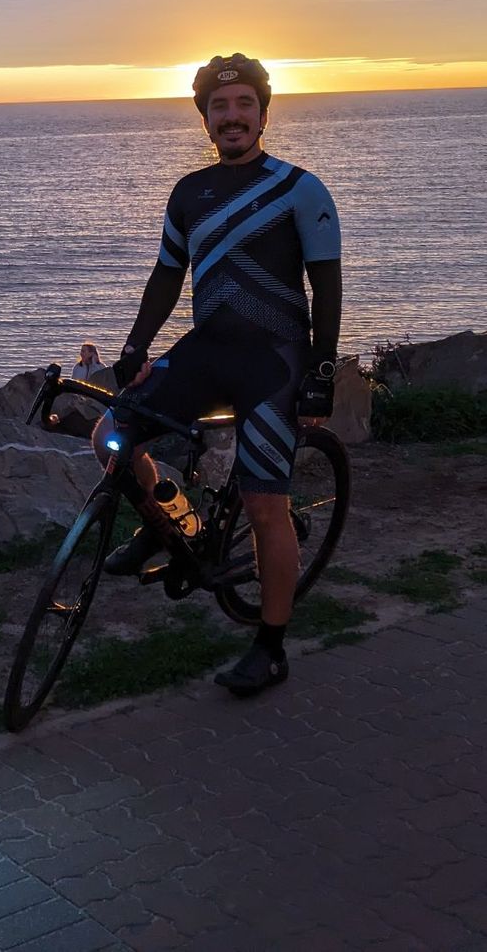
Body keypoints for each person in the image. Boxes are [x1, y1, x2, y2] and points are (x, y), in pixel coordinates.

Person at [91, 53, 342, 697]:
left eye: (244, 105)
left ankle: (270, 646)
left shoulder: (299, 189)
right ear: (204, 117)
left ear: (263, 113)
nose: (232, 116)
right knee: (110, 435)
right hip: (207, 350)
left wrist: (320, 374)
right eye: (220, 106)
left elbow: (327, 288)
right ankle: (166, 521)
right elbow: (169, 275)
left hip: (273, 363)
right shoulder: (187, 193)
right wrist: (135, 345)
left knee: (265, 507)